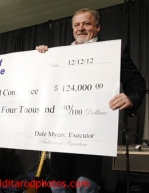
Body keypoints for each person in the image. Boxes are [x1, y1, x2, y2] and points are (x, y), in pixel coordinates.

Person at [36, 8, 146, 193]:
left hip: (91, 132)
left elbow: (137, 83)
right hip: (59, 131)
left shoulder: (112, 52)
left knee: (85, 187)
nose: (81, 28)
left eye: (86, 24)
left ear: (97, 27)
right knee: (57, 187)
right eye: (76, 25)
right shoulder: (57, 55)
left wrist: (129, 97)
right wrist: (40, 57)